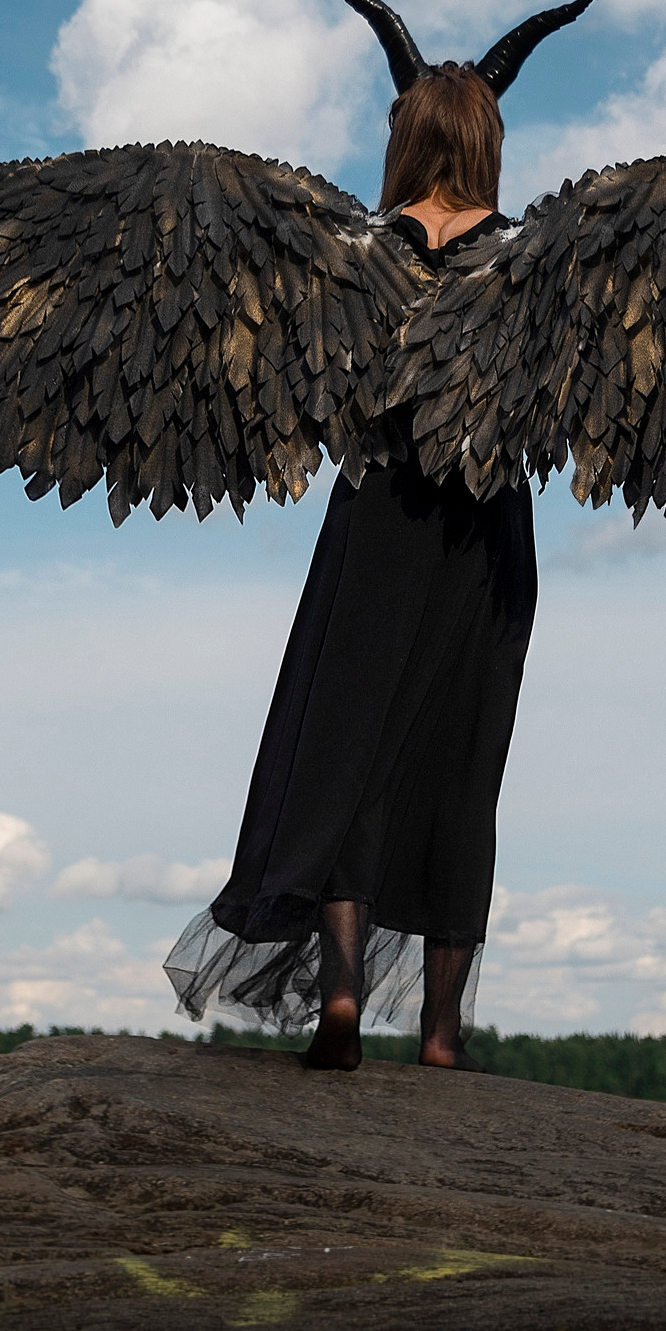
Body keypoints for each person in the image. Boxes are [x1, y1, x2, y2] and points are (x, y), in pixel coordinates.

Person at [162, 63, 537, 1073]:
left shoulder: (352, 256)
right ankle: (444, 1032)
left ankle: (338, 989)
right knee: (461, 766)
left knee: (346, 749)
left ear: (405, 141)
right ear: (488, 145)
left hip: (379, 514)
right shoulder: (531, 264)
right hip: (486, 526)